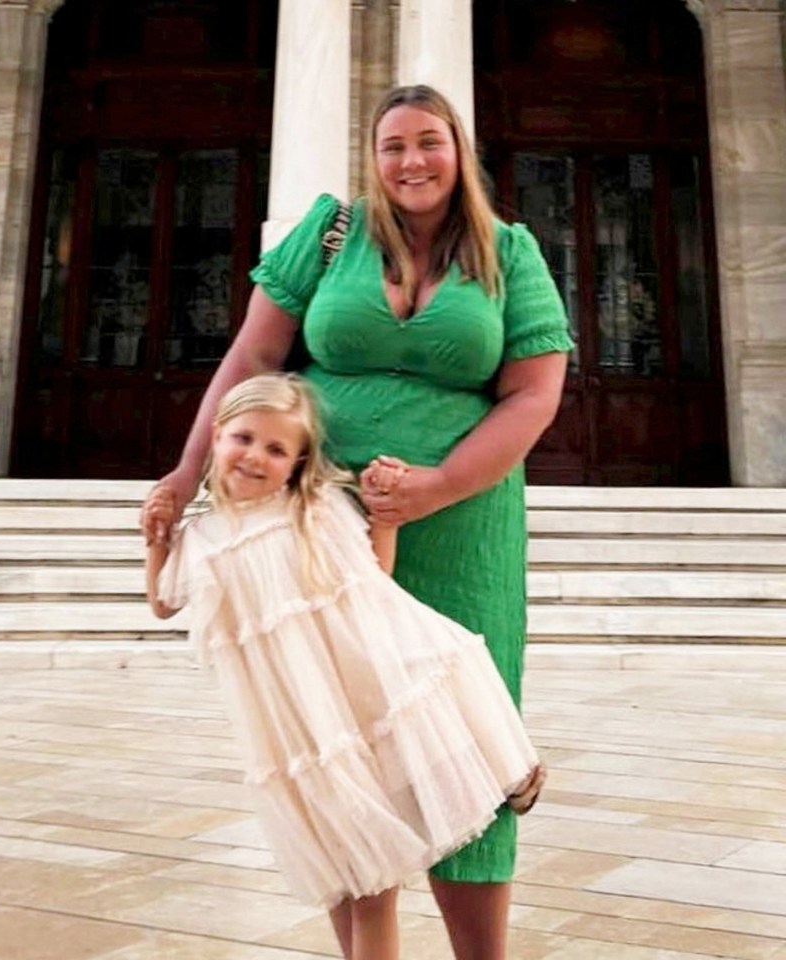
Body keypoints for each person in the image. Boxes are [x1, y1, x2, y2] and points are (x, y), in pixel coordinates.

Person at [141, 84, 573, 960]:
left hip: (464, 527)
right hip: (318, 523)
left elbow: (535, 392)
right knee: (339, 740)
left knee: (462, 736)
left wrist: (440, 483)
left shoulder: (511, 251)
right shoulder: (330, 234)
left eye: (429, 143)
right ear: (371, 158)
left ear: (460, 151)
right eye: (392, 146)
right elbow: (255, 355)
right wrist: (188, 473)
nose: (412, 162)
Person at [145, 373, 544, 960]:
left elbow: (376, 580)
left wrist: (386, 519)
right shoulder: (200, 538)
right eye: (244, 438)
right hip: (296, 731)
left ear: (297, 462)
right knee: (361, 880)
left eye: (276, 449)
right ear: (216, 437)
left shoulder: (314, 510)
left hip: (357, 703)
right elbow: (162, 601)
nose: (255, 456)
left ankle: (507, 762)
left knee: (373, 883)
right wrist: (157, 537)